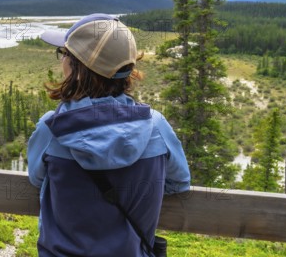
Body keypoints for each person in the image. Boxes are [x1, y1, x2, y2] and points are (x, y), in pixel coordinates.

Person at [27, 13, 190, 257]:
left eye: (65, 54)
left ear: (78, 68)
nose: (62, 62)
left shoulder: (52, 129)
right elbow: (179, 183)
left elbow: (38, 180)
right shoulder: (156, 126)